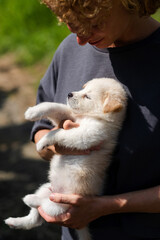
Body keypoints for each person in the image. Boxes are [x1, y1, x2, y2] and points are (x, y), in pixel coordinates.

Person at [30, 0, 160, 239]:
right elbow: (40, 131)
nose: (80, 39)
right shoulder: (70, 50)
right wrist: (57, 144)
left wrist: (109, 206)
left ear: (129, 3)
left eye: (93, 22)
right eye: (72, 25)